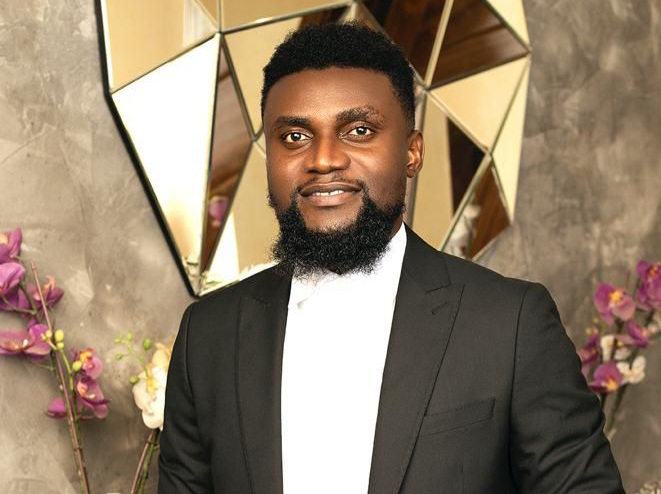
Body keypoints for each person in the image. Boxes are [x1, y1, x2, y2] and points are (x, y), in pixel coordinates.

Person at [158, 22, 624, 494]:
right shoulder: (208, 337)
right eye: (295, 136)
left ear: (412, 152)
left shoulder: (510, 325)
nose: (323, 159)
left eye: (358, 131)